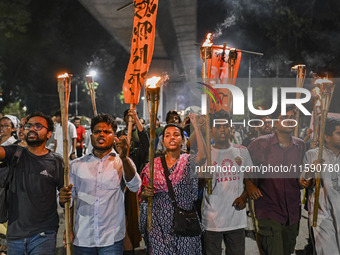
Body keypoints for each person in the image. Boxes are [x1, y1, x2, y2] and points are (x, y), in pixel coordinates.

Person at [59, 114, 141, 255]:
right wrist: (68, 228)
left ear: (114, 136)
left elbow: (135, 186)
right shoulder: (76, 165)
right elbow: (69, 202)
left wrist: (124, 157)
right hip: (83, 237)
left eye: (107, 132)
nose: (101, 135)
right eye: (97, 132)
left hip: (111, 239)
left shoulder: (123, 163)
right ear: (91, 136)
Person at [139, 114, 206, 254]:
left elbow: (203, 156)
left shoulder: (188, 161)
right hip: (158, 225)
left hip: (185, 223)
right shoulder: (152, 166)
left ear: (182, 140)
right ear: (163, 142)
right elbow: (142, 195)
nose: (172, 138)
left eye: (176, 135)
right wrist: (146, 193)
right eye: (167, 135)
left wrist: (197, 128)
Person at [0, 112, 64, 254]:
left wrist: (65, 198)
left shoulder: (56, 161)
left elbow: (65, 198)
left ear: (49, 134)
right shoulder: (15, 152)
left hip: (43, 235)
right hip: (15, 234)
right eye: (29, 126)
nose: (32, 129)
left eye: (38, 126)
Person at [245, 106, 305, 255]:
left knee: (287, 251)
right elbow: (243, 167)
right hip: (269, 209)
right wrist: (249, 184)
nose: (288, 121)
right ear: (275, 122)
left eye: (292, 117)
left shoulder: (300, 145)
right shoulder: (259, 144)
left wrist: (305, 181)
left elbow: (300, 176)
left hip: (292, 211)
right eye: (284, 118)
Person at [202, 110, 252, 255]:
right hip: (212, 221)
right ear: (211, 130)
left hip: (236, 219)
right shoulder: (205, 154)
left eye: (226, 126)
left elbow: (250, 179)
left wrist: (244, 197)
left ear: (231, 128)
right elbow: (196, 187)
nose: (222, 130)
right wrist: (203, 177)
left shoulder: (242, 152)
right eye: (217, 126)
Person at [300, 117, 340, 255]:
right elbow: (305, 181)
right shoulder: (312, 155)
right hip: (323, 213)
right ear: (327, 137)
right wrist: (312, 169)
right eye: (339, 133)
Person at [116, 109, 149, 253]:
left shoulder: (136, 151)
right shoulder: (114, 154)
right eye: (120, 140)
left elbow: (146, 142)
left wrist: (135, 118)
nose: (123, 141)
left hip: (132, 190)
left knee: (129, 222)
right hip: (116, 190)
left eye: (126, 139)